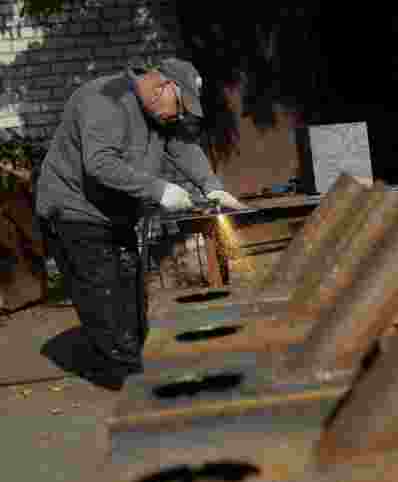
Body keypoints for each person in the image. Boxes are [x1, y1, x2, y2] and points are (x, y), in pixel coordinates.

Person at [34, 58, 246, 386]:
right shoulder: (104, 100)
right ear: (163, 86)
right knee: (104, 294)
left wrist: (212, 187)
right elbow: (100, 163)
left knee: (131, 291)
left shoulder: (158, 111)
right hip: (73, 210)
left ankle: (134, 362)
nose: (179, 116)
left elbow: (182, 148)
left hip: (113, 211)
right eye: (180, 105)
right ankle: (125, 380)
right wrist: (159, 189)